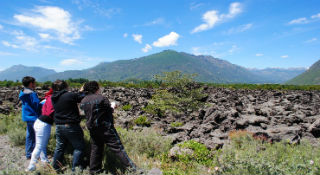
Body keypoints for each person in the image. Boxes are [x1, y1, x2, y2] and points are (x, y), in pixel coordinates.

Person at [80, 81, 137, 174]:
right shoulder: (101, 98)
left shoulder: (83, 101)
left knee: (96, 149)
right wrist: (113, 106)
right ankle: (134, 170)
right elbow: (109, 110)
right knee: (118, 148)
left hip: (92, 128)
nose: (100, 89)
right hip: (106, 128)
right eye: (98, 87)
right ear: (95, 88)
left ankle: (94, 170)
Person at [51, 80, 85, 172]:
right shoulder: (69, 95)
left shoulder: (53, 97)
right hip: (71, 125)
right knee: (79, 147)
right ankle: (76, 170)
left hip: (59, 125)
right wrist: (82, 91)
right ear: (65, 87)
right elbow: (81, 97)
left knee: (60, 148)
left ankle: (55, 168)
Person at [26, 88, 54, 172]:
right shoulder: (53, 99)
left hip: (39, 122)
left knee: (42, 144)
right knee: (39, 146)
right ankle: (31, 166)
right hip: (44, 124)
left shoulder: (47, 98)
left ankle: (44, 161)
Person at [19, 76, 42, 159]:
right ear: (31, 84)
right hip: (33, 116)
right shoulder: (32, 93)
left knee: (29, 135)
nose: (35, 84)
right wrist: (43, 103)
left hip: (27, 116)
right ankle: (34, 154)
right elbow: (36, 105)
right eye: (34, 83)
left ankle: (28, 153)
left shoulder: (23, 92)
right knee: (35, 136)